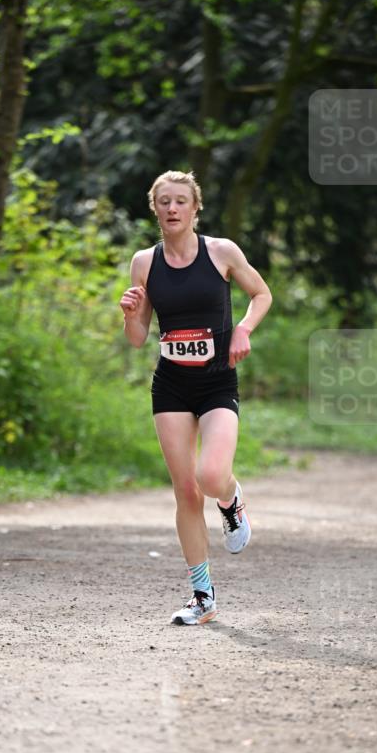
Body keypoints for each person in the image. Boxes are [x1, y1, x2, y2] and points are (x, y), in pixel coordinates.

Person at [119, 170, 272, 625]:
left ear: (195, 208)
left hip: (217, 382)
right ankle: (202, 596)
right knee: (185, 491)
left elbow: (261, 294)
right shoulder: (144, 262)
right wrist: (128, 314)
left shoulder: (221, 252)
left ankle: (230, 500)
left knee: (210, 476)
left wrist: (242, 328)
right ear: (155, 209)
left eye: (180, 201)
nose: (172, 208)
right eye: (164, 201)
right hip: (170, 384)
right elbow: (137, 337)